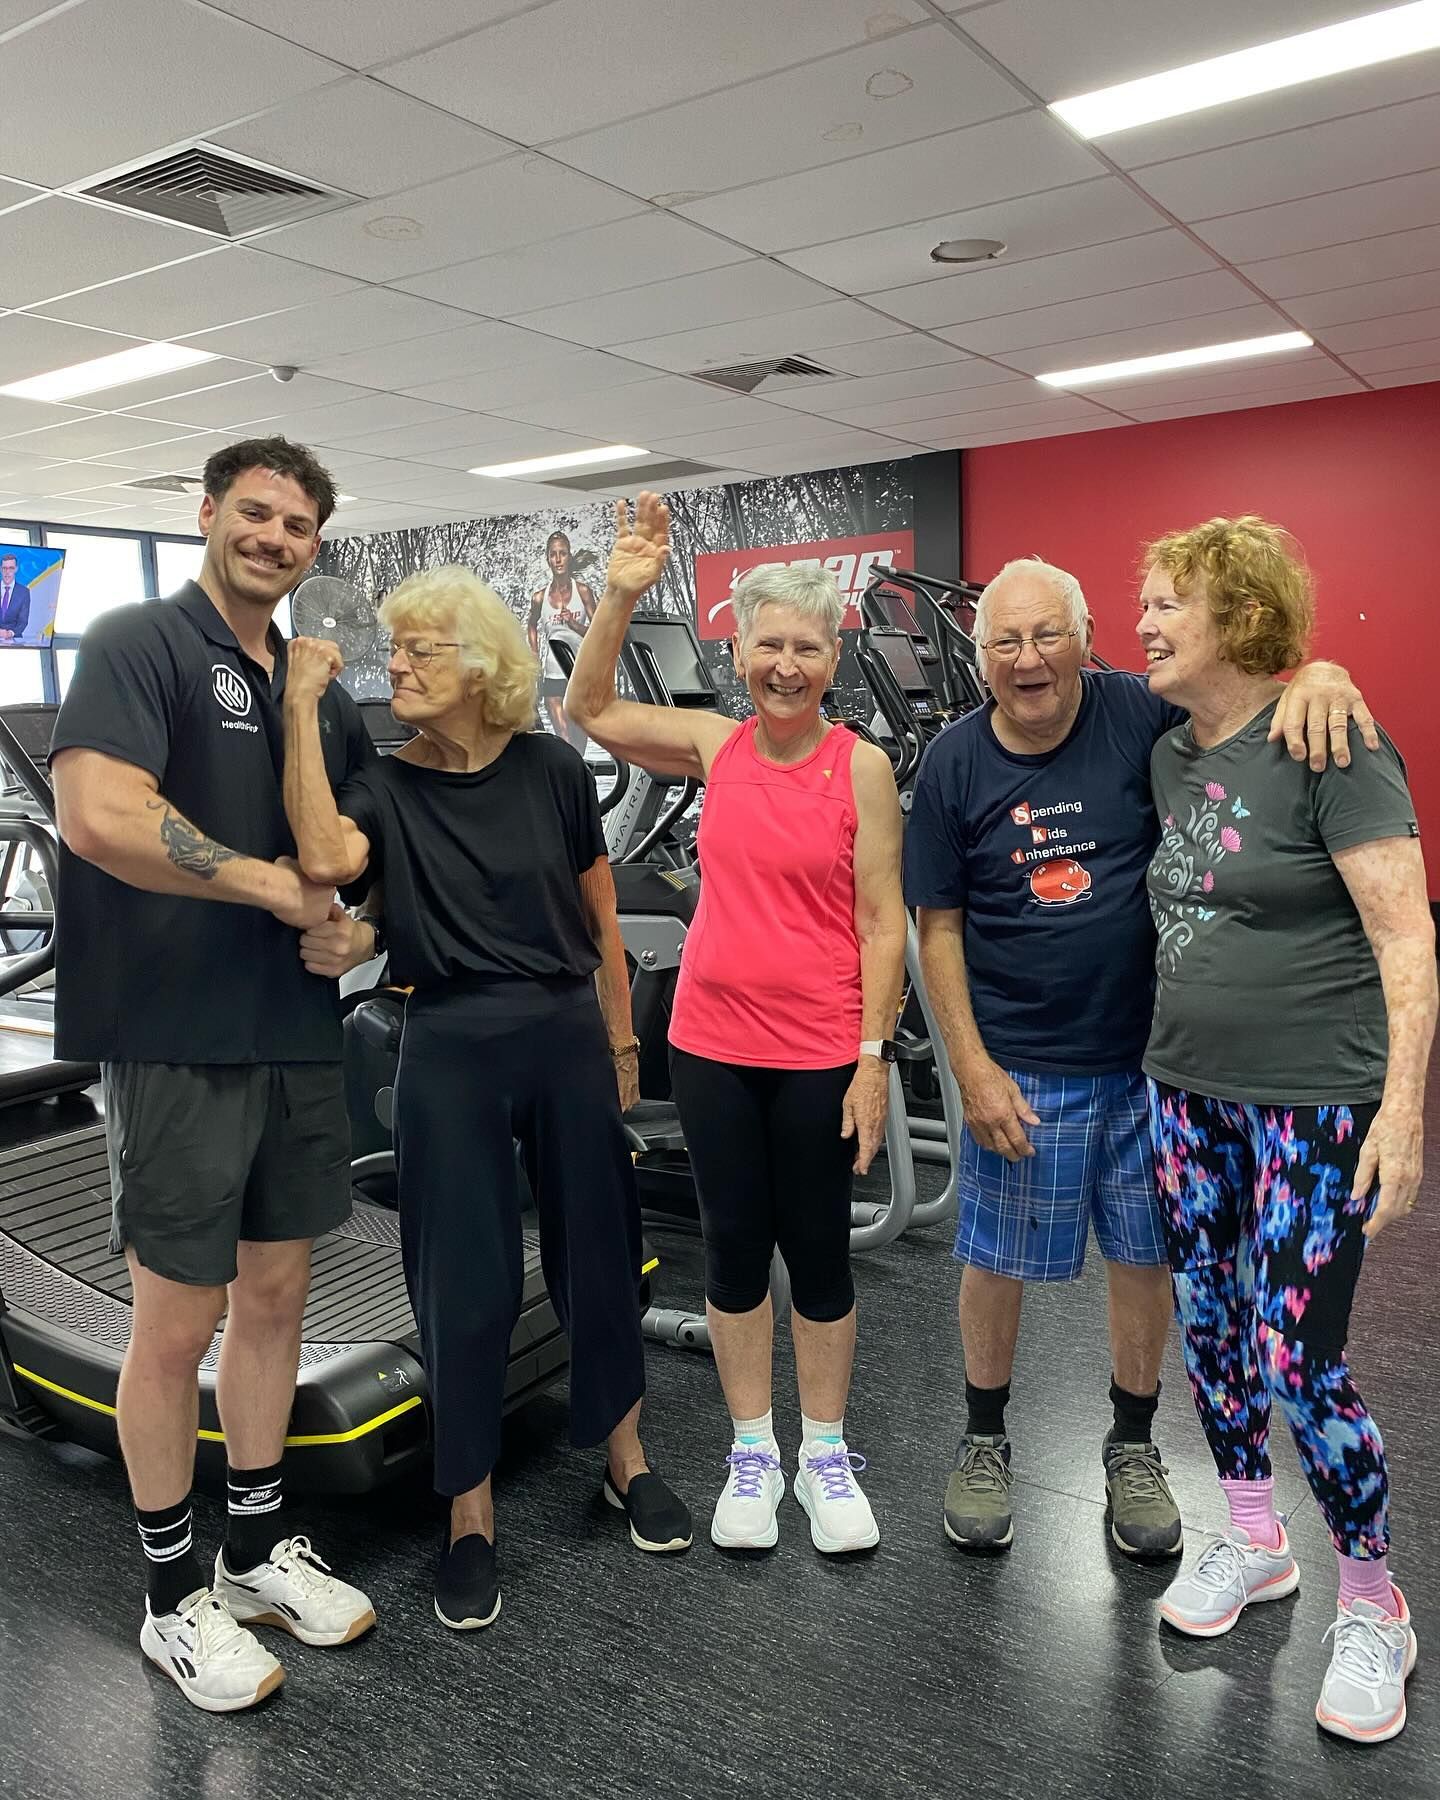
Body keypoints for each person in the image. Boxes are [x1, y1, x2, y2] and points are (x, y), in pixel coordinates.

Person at [905, 557, 1375, 1560]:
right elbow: (936, 926)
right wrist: (971, 1068)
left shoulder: (1135, 710)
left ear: (1084, 640)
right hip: (1021, 1064)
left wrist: (1321, 675)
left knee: (1144, 1258)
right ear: (979, 656)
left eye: (1048, 635)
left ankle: (1132, 1443)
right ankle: (983, 1438)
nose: (1028, 659)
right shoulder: (952, 762)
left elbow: (1241, 702)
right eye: (1004, 641)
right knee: (995, 1261)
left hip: (1153, 1066)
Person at [283, 565, 692, 1633]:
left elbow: (599, 914)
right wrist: (299, 705)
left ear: (480, 667)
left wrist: (620, 1037)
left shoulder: (553, 769)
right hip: (449, 1039)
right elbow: (326, 857)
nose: (398, 665)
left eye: (421, 649)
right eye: (395, 648)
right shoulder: (385, 785)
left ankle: (626, 1457)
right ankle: (468, 1512)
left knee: (599, 1252)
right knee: (459, 1283)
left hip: (562, 1030)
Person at [50, 437, 377, 1715]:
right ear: (206, 514)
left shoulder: (317, 687)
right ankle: (169, 1594)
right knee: (176, 1322)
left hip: (291, 1028)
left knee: (277, 1301)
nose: (274, 538)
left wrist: (354, 931)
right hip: (175, 1030)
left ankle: (252, 1549)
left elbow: (347, 855)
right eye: (255, 512)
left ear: (314, 545)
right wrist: (268, 889)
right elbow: (98, 815)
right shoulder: (139, 642)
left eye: (297, 525)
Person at [1137, 516, 1434, 1745]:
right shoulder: (1167, 749)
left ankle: (1374, 1601)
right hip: (1185, 1090)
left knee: (1295, 1352)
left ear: (1241, 616)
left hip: (1317, 1098)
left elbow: (1406, 936)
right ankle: (1255, 1537)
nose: (1144, 623)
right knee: (1211, 1325)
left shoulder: (1333, 741)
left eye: (1169, 603)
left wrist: (1404, 1113)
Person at [567, 495, 907, 1556]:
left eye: (806, 647)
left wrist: (872, 1061)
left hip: (820, 1053)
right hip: (712, 1046)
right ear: (741, 652)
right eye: (769, 646)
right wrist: (620, 592)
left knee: (820, 1253)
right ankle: (752, 1450)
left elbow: (883, 921)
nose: (786, 666)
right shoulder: (717, 745)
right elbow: (588, 707)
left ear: (832, 656)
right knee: (732, 1251)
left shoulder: (859, 767)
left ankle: (826, 1453)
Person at [527, 529, 597, 748]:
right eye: (553, 554)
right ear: (548, 559)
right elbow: (531, 625)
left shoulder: (583, 592)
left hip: (579, 673)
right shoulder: (539, 597)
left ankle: (579, 768)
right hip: (553, 674)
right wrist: (534, 654)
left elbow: (598, 633)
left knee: (578, 745)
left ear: (569, 556)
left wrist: (574, 624)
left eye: (563, 553)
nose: (558, 559)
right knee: (565, 740)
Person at [0, 553, 31, 641]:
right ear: (1, 569)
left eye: (11, 568)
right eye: (4, 568)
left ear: (16, 569)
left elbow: (23, 621)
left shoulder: (24, 592)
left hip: (14, 640)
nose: (7, 572)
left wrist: (9, 633)